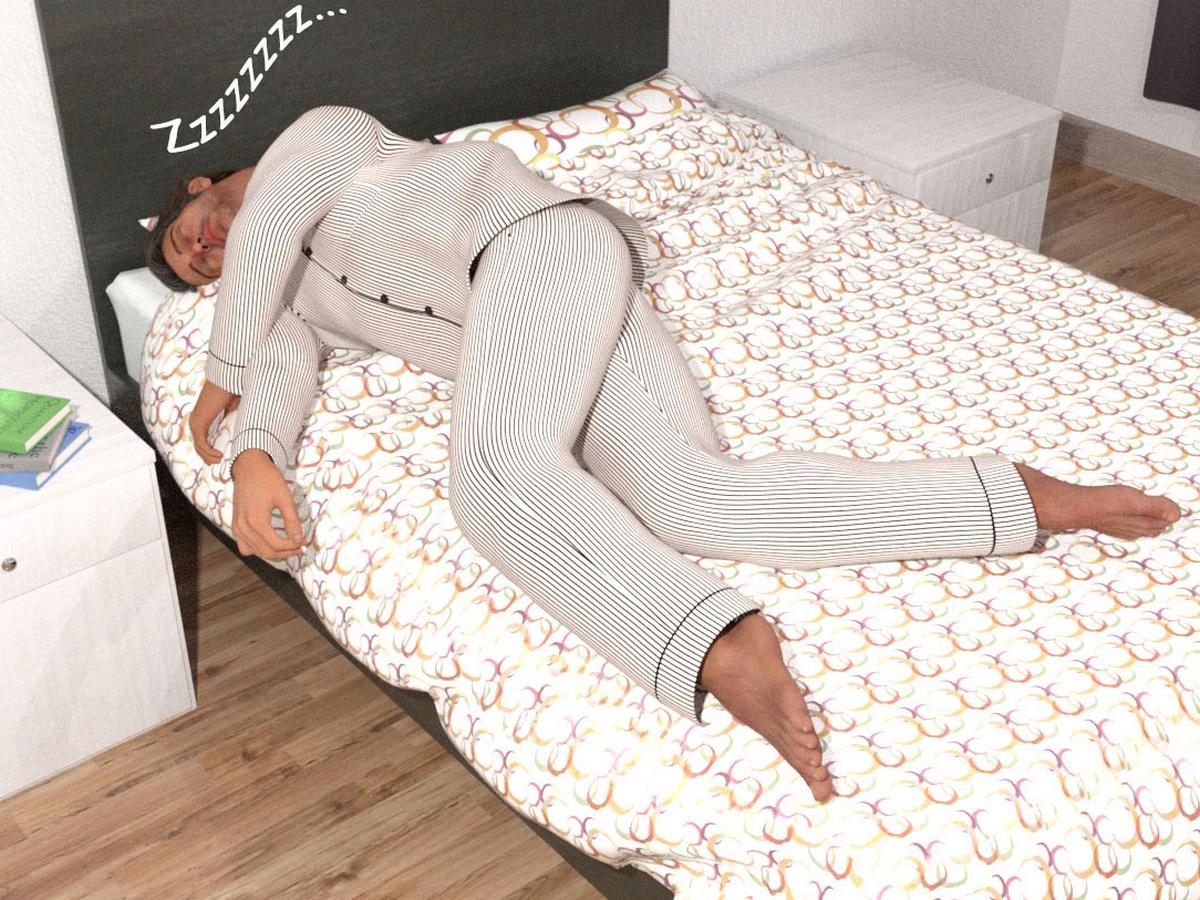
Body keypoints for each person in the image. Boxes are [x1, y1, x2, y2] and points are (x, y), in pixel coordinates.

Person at [148, 105, 1183, 804]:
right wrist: (254, 451)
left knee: (496, 479)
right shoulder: (278, 296)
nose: (204, 253)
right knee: (695, 497)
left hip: (540, 248)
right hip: (543, 339)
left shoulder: (320, 139)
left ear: (200, 185)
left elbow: (267, 228)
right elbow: (279, 356)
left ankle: (715, 642)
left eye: (190, 230)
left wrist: (217, 372)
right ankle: (1012, 498)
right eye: (194, 274)